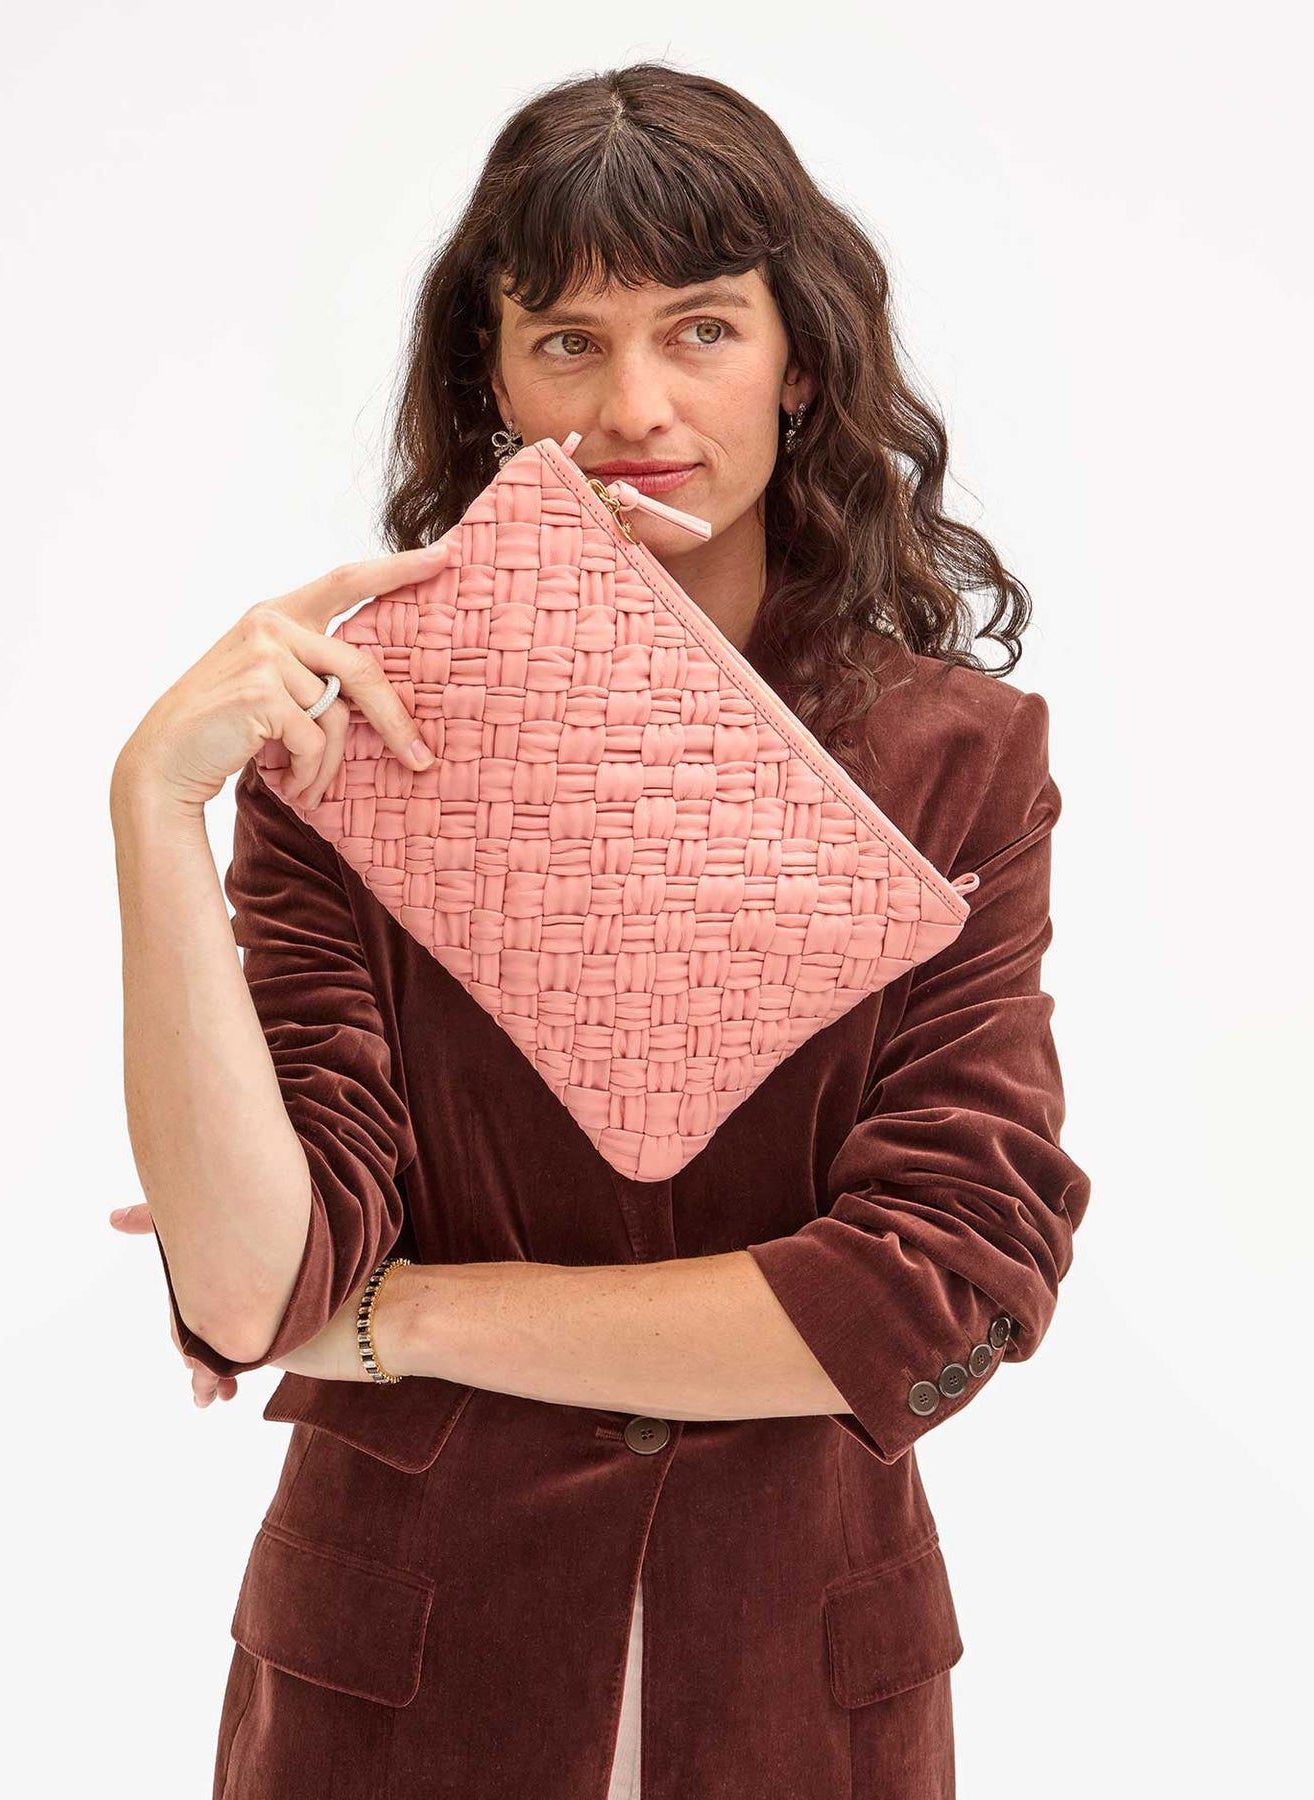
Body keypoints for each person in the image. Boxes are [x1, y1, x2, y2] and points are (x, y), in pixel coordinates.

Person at [109, 61, 1091, 1800]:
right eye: (567, 339)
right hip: (399, 1696)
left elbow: (933, 1282)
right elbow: (257, 1289)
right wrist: (153, 809)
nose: (636, 404)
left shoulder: (958, 764)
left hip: (798, 1691)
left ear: (800, 360)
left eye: (701, 328)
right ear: (491, 379)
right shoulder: (353, 744)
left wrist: (404, 1322)